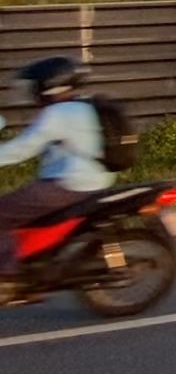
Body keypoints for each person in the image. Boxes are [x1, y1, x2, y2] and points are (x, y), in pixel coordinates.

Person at [0, 57, 113, 287]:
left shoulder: (58, 113)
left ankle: (7, 275)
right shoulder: (82, 105)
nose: (31, 93)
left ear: (48, 86)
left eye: (34, 87)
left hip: (68, 185)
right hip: (94, 181)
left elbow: (23, 148)